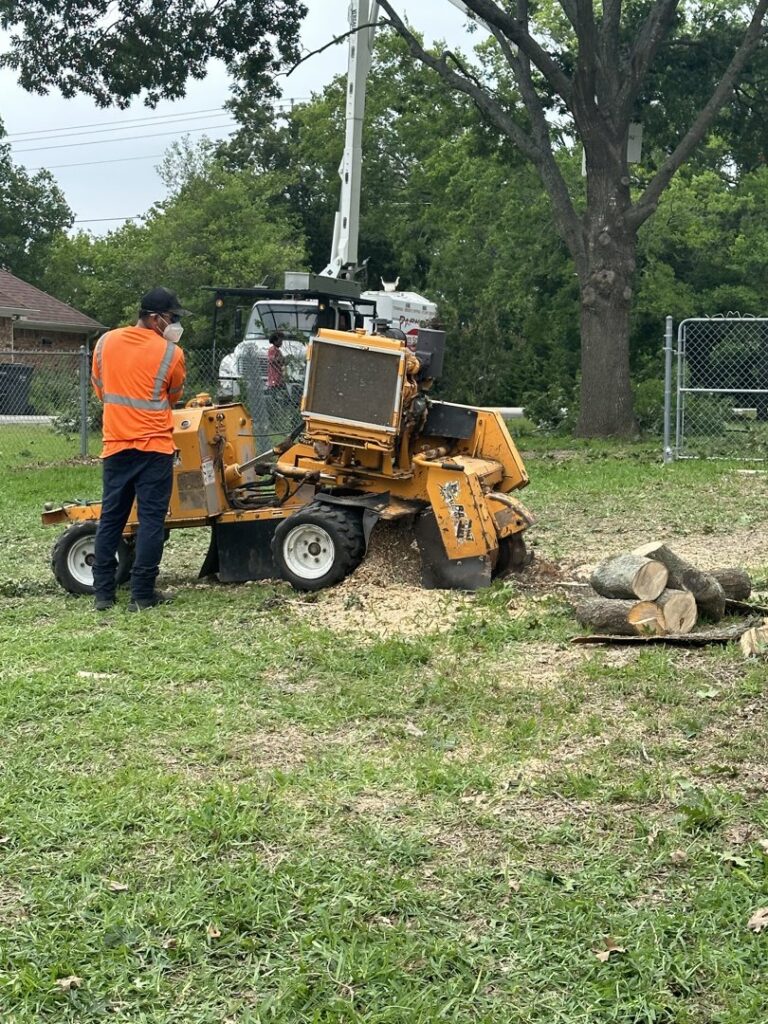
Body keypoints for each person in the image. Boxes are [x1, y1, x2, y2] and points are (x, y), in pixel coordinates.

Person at [90, 286, 188, 612]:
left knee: (111, 519)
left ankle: (103, 594)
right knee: (150, 523)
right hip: (155, 447)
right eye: (172, 318)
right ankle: (141, 595)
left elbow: (101, 389)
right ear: (155, 318)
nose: (174, 324)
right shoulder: (172, 354)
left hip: (116, 444)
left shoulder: (104, 343)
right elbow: (171, 397)